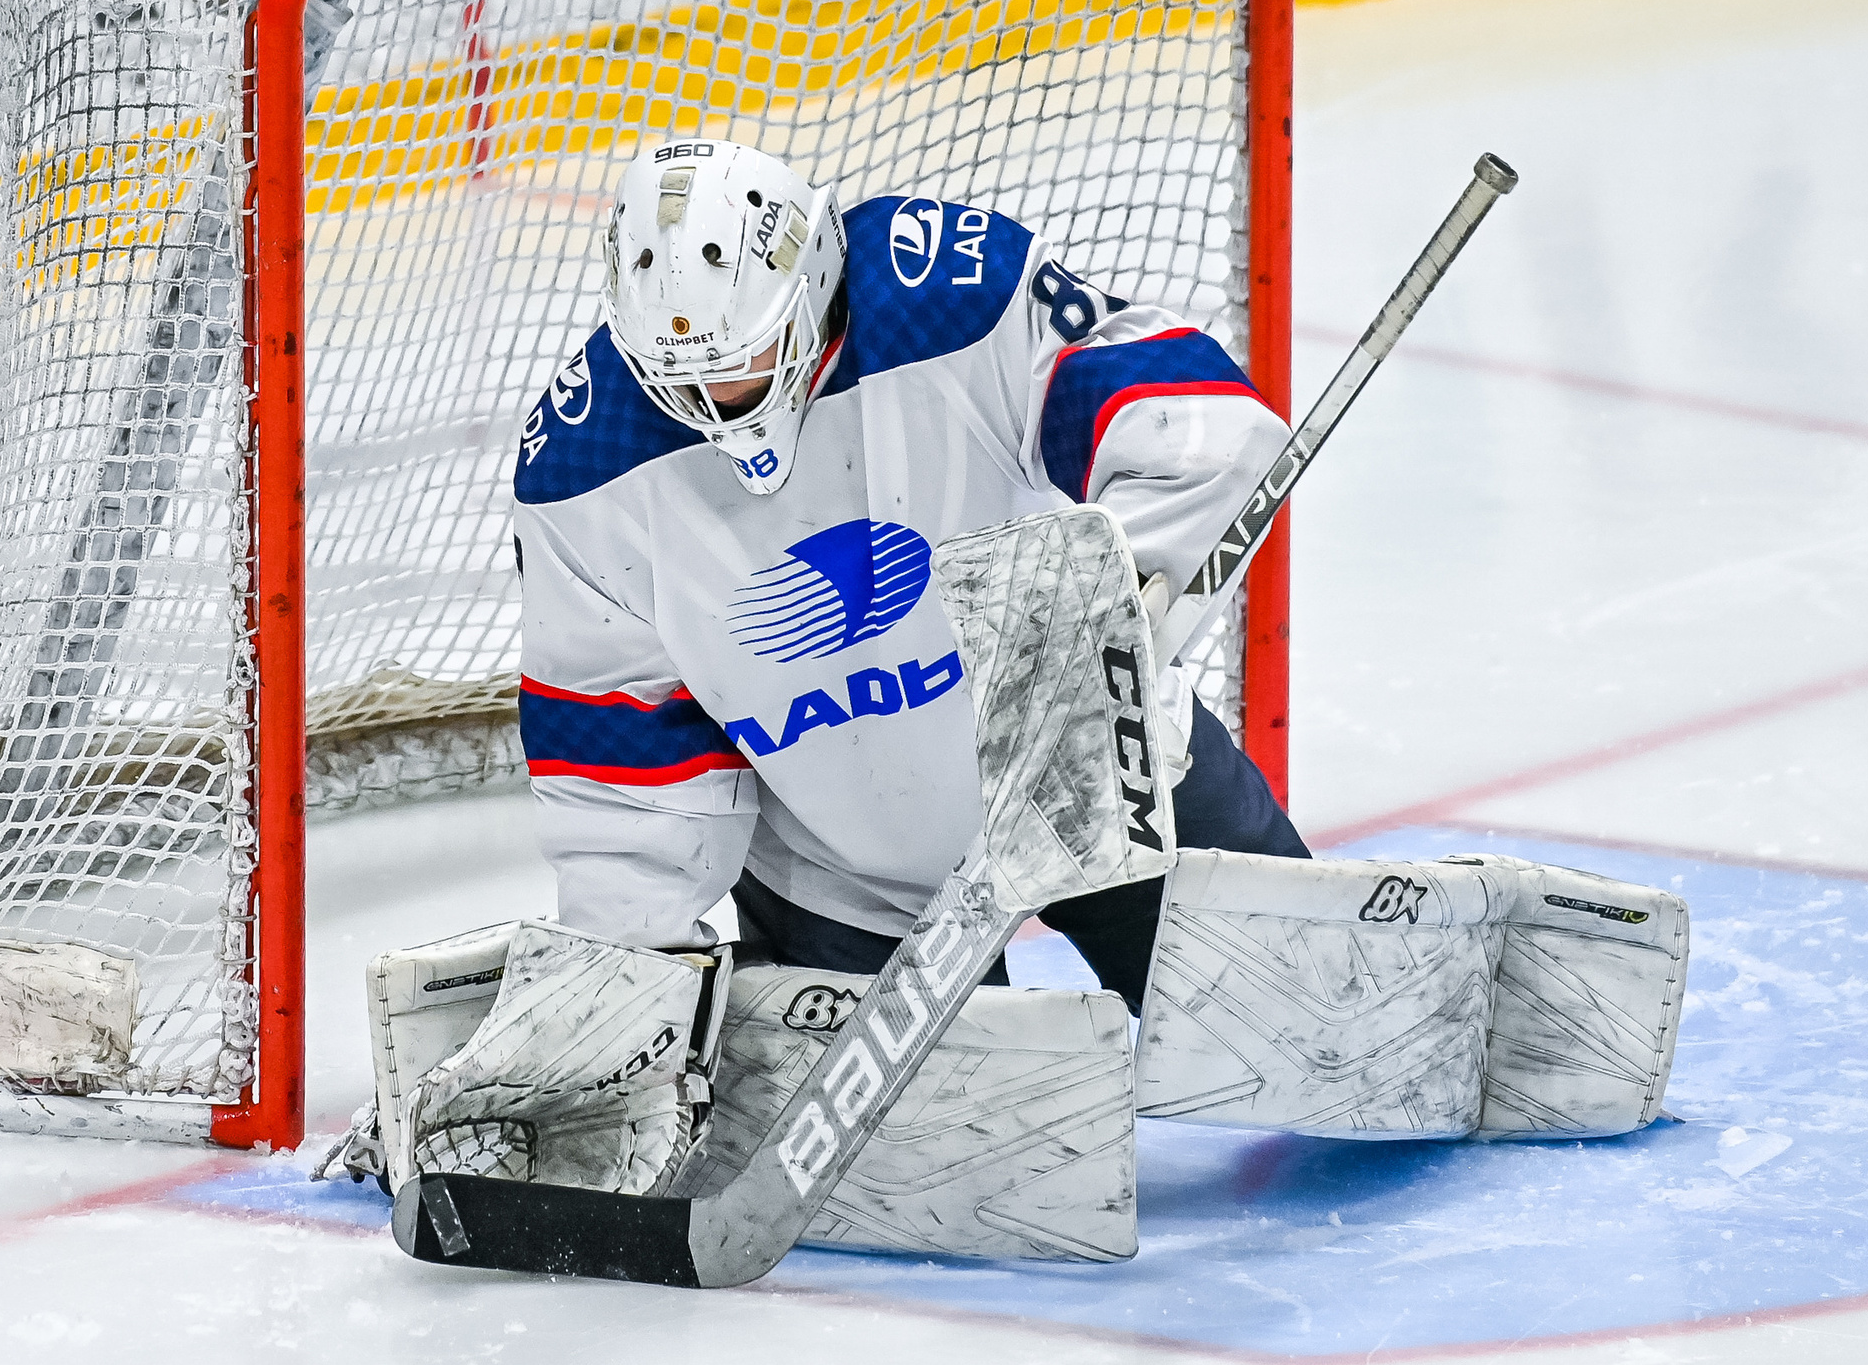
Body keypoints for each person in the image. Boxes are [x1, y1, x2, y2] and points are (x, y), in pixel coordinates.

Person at [511, 140, 1306, 1014]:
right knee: (956, 1150)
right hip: (842, 877)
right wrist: (634, 979)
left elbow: (1193, 426)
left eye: (746, 351)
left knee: (1318, 1012)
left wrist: (1124, 599)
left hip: (1104, 776)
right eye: (682, 372)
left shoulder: (947, 295)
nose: (716, 394)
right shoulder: (581, 469)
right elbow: (617, 764)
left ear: (811, 281)